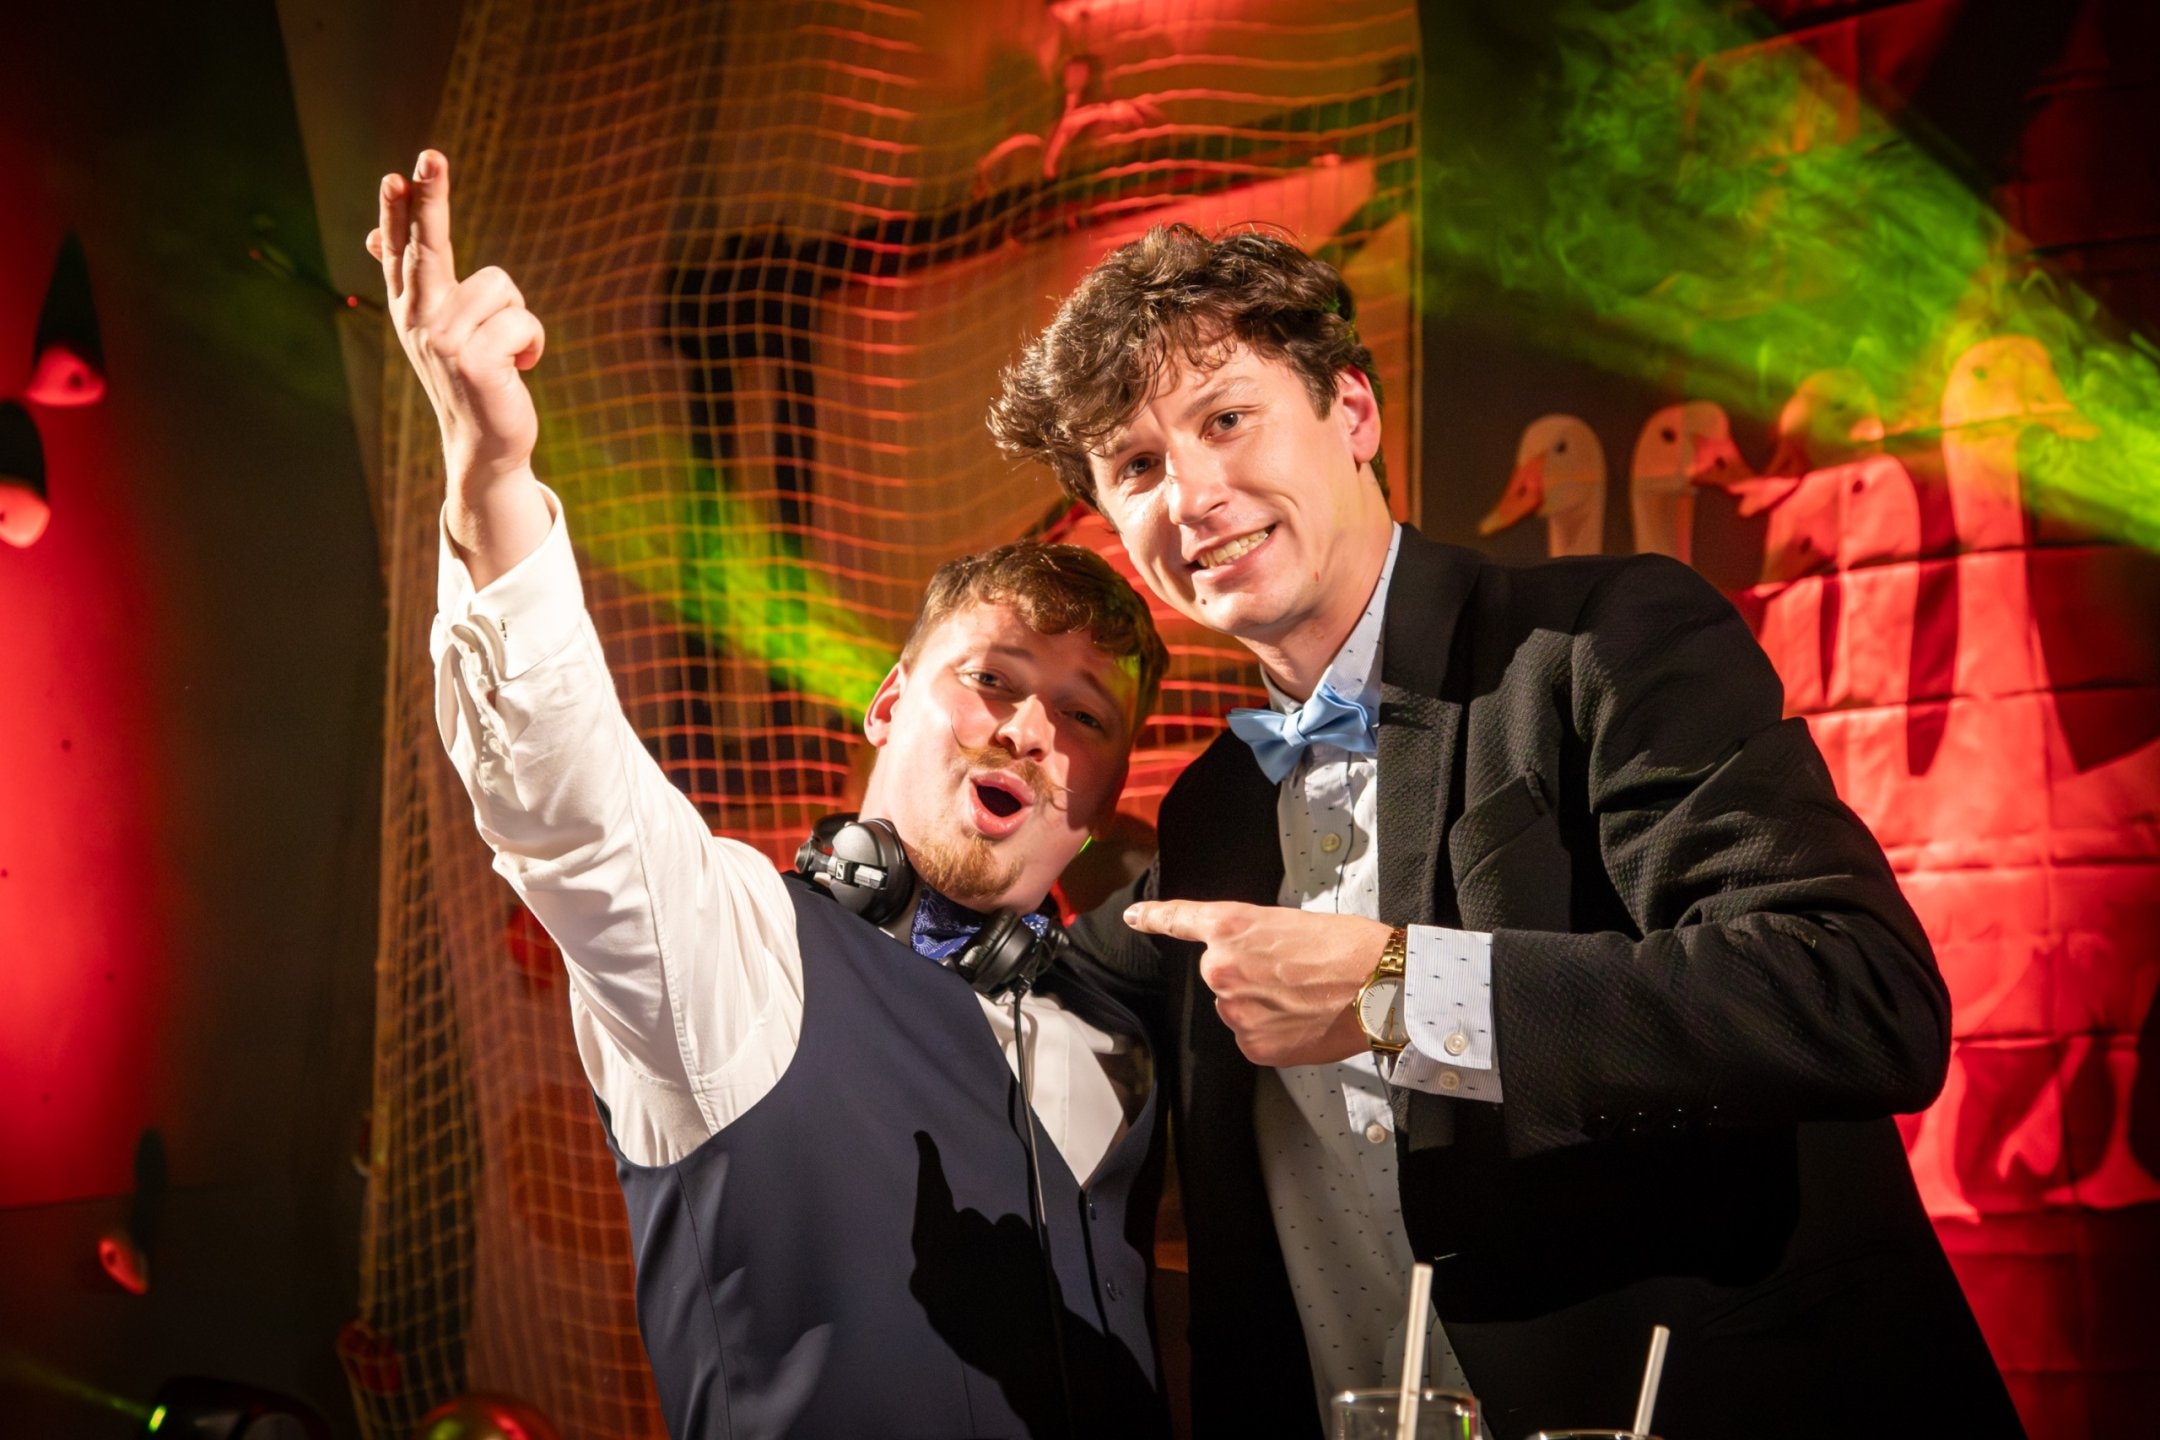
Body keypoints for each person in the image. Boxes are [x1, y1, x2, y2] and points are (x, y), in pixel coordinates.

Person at [988, 224, 2023, 1438]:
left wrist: (1400, 991)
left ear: (1353, 411)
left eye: (1226, 419)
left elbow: (1854, 996)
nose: (1193, 496)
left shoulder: (1600, 640)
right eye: (1136, 465)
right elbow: (1036, 985)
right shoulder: (1213, 804)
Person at [370, 150, 1174, 1440]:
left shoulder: (1125, 1035)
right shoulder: (739, 953)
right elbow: (568, 802)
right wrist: (492, 476)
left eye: (1084, 717)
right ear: (888, 703)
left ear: (1104, 790)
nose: (1030, 730)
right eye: (992, 679)